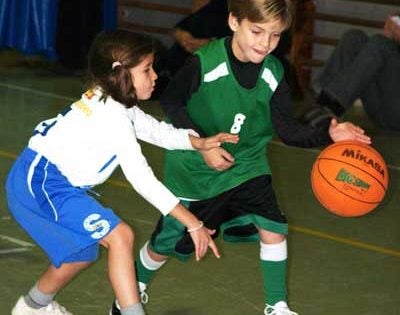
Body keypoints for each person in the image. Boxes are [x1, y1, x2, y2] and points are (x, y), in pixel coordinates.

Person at [110, 1, 372, 314]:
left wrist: (330, 134)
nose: (265, 43)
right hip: (195, 170)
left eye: (275, 36)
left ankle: (276, 306)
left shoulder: (275, 72)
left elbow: (287, 130)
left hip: (246, 163)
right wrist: (203, 144)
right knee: (167, 241)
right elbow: (172, 101)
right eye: (257, 31)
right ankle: (134, 286)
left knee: (272, 224)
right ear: (234, 22)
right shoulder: (204, 63)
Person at [6, 30, 239, 315]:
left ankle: (32, 307)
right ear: (121, 73)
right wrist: (192, 221)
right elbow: (141, 178)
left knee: (81, 253)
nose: (155, 76)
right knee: (120, 236)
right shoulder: (112, 116)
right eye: (147, 69)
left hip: (44, 179)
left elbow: (154, 129)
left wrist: (199, 142)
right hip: (42, 181)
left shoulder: (114, 102)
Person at [302, 13, 400, 131]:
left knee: (380, 44)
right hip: (387, 106)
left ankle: (328, 108)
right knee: (354, 38)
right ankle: (320, 103)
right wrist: (392, 32)